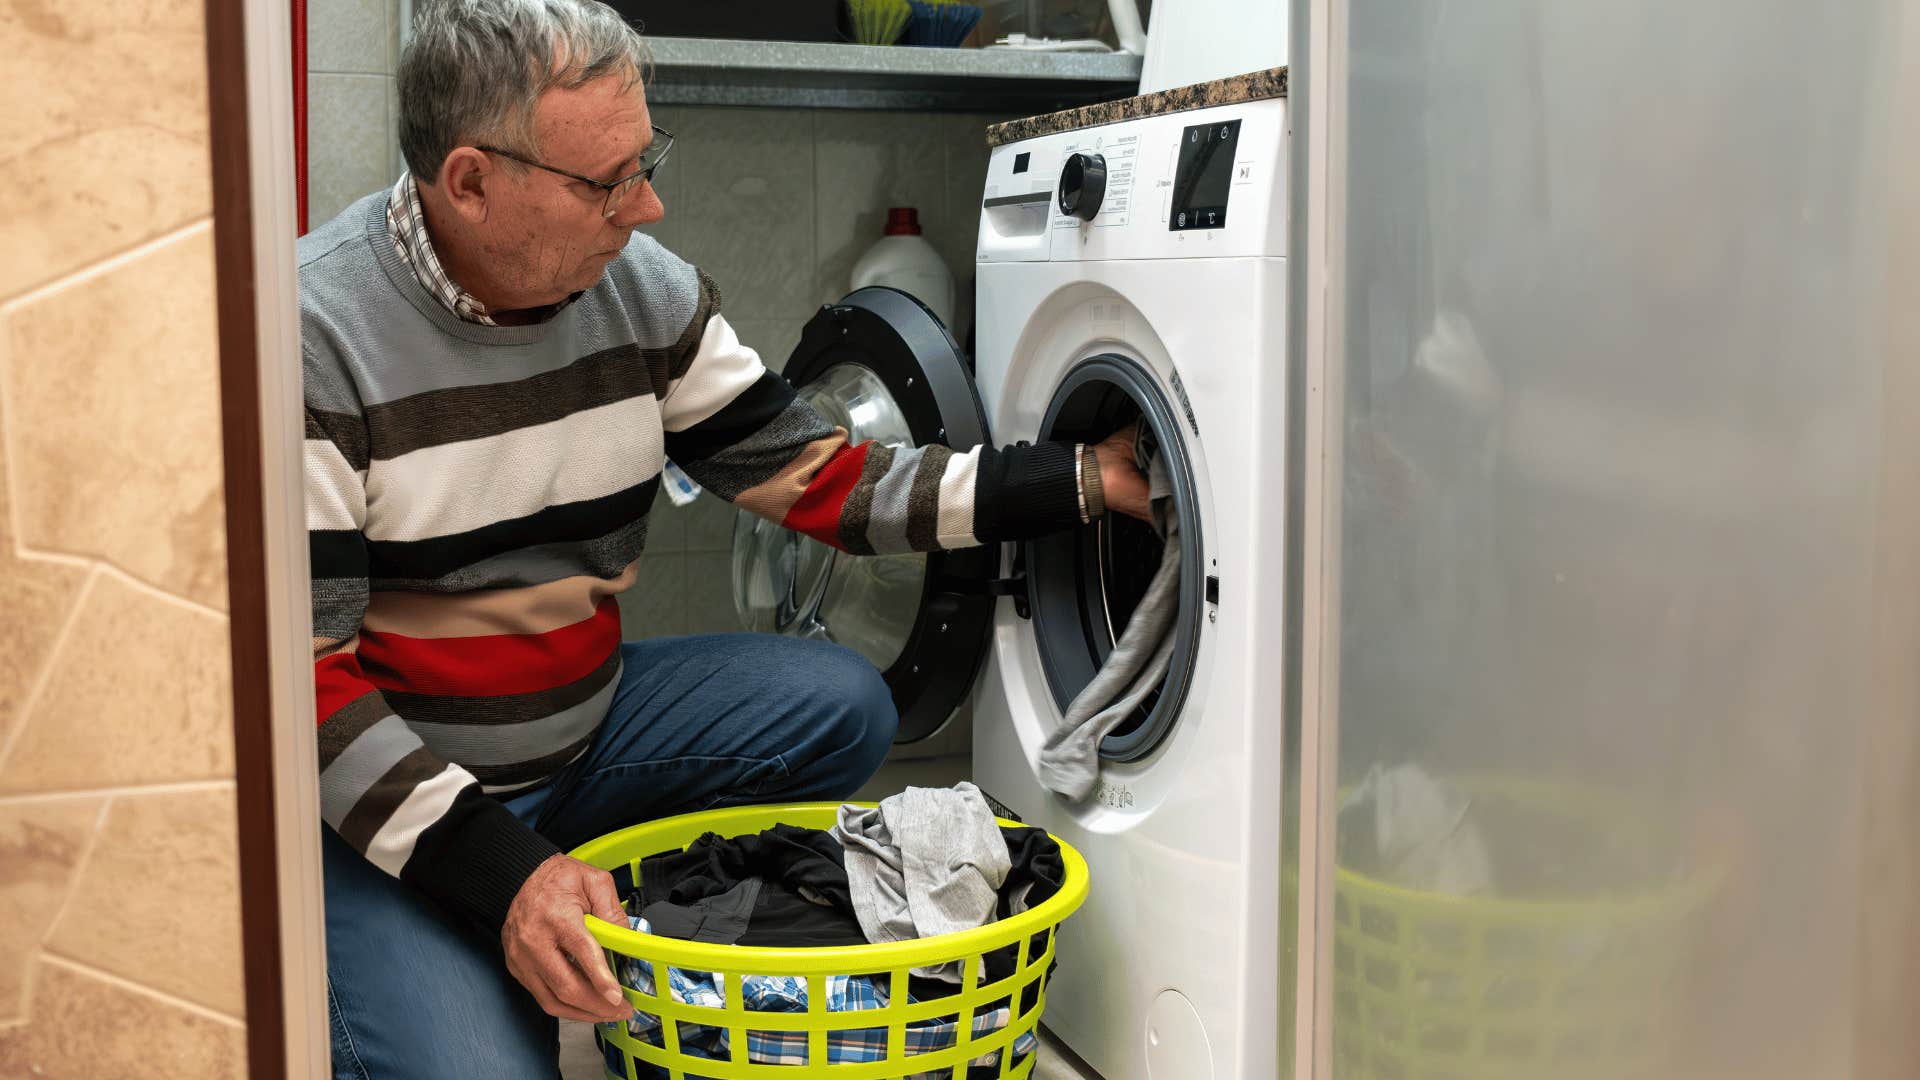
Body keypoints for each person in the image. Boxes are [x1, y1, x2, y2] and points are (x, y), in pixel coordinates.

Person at [299, 0, 1148, 1073]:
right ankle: (457, 915)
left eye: (646, 160)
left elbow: (827, 482)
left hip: (583, 734)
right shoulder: (315, 334)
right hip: (389, 793)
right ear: (469, 182)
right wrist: (503, 876)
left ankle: (564, 882)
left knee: (841, 703)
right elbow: (303, 685)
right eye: (608, 182)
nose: (649, 206)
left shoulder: (640, 295)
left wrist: (1079, 478)